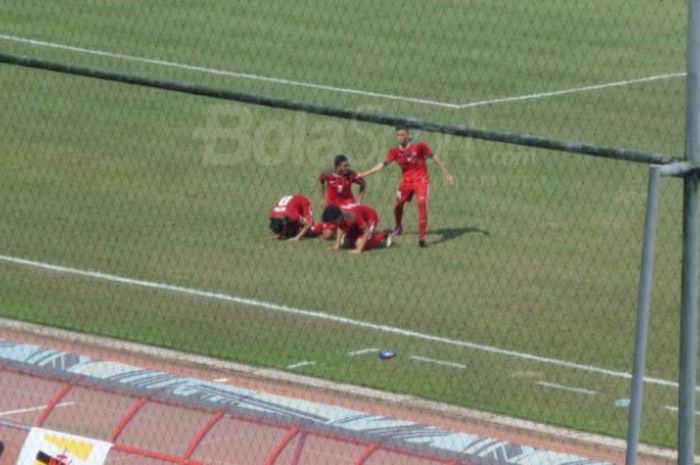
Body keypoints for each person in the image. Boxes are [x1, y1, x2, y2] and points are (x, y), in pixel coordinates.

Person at [360, 126, 455, 247]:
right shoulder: (394, 152)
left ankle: (422, 237)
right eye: (398, 135)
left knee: (421, 204)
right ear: (396, 136)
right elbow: (382, 165)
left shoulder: (420, 146)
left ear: (408, 135)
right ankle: (398, 227)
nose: (401, 137)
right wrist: (365, 173)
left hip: (422, 180)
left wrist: (447, 175)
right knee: (397, 205)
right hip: (406, 182)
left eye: (403, 135)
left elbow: (435, 158)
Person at [317, 154, 366, 239]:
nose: (348, 167)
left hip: (347, 206)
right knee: (326, 236)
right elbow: (321, 182)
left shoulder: (351, 175)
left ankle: (348, 230)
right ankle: (341, 230)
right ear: (338, 167)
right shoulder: (327, 174)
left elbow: (363, 184)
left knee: (357, 228)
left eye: (348, 165)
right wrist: (322, 199)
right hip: (333, 208)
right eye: (345, 166)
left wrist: (359, 202)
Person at [321, 204, 391, 254]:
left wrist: (359, 250)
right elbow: (340, 227)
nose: (333, 223)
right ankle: (363, 236)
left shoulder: (351, 216)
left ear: (339, 216)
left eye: (333, 221)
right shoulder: (340, 214)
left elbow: (366, 231)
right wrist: (337, 245)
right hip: (358, 222)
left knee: (360, 243)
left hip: (370, 218)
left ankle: (384, 235)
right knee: (346, 243)